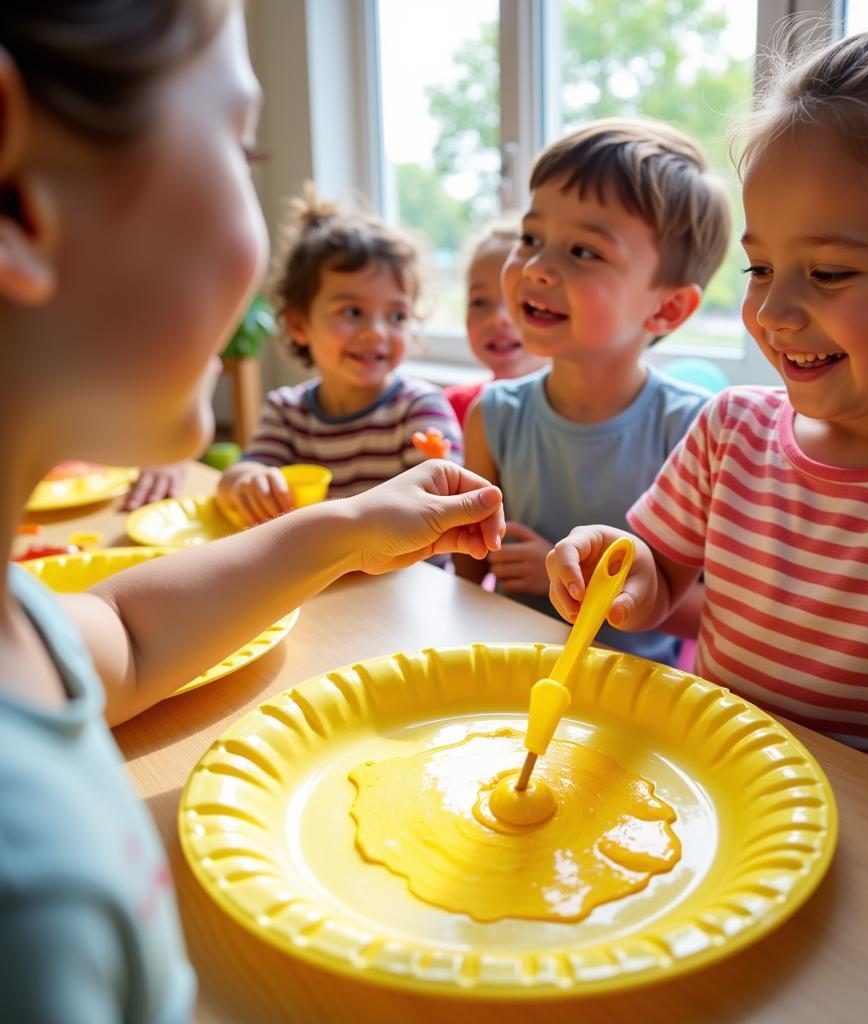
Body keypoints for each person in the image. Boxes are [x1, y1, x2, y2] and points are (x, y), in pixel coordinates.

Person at [0, 2, 505, 1019]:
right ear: (19, 200)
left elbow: (123, 639)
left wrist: (349, 527)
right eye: (240, 143)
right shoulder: (32, 889)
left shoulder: (20, 631)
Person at [547, 24, 868, 816]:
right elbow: (659, 577)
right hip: (721, 814)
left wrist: (792, 779)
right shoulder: (729, 430)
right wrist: (618, 574)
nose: (771, 310)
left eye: (829, 272)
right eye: (761, 267)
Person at [456, 118, 731, 667]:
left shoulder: (697, 429)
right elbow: (465, 583)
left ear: (667, 307)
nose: (535, 267)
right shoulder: (493, 416)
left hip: (637, 691)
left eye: (583, 252)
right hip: (516, 671)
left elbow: (716, 611)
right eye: (531, 238)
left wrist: (585, 589)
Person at [216, 190, 463, 525]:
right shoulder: (287, 412)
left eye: (397, 316)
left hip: (407, 575)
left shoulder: (419, 408)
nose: (376, 332)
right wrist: (247, 480)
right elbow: (240, 473)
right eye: (352, 311)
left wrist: (439, 468)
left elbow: (445, 496)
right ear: (299, 325)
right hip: (322, 574)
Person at [443, 220, 548, 427]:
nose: (497, 318)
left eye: (519, 300)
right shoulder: (447, 409)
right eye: (480, 302)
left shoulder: (581, 414)